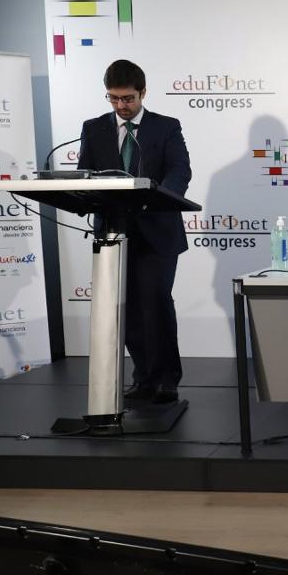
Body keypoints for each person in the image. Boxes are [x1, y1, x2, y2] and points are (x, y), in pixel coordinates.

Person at [78, 60, 191, 404]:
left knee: (155, 303)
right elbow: (84, 173)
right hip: (114, 232)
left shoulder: (166, 126)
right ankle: (143, 378)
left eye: (127, 98)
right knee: (124, 308)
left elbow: (180, 170)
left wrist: (160, 197)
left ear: (143, 93)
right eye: (113, 98)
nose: (120, 105)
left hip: (157, 230)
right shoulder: (93, 128)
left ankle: (166, 378)